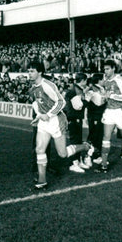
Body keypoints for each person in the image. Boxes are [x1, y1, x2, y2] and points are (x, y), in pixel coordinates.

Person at [27, 60, 72, 189]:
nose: (29, 74)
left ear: (40, 72)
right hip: (44, 122)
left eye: (32, 71)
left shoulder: (47, 85)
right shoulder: (33, 88)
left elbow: (61, 102)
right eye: (28, 71)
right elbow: (36, 103)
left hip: (56, 121)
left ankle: (85, 146)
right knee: (39, 150)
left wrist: (48, 115)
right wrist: (39, 116)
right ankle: (42, 181)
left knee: (62, 154)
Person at [97, 59, 122, 172]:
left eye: (108, 69)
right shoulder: (105, 81)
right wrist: (102, 97)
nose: (105, 71)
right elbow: (105, 96)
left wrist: (112, 95)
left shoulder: (119, 80)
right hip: (109, 111)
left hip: (119, 111)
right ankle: (104, 164)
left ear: (113, 68)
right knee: (106, 137)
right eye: (104, 69)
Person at [64, 73, 94, 173]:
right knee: (75, 140)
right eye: (85, 81)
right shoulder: (74, 91)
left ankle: (78, 160)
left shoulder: (76, 89)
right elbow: (78, 106)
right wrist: (87, 99)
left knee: (78, 140)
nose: (86, 83)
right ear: (83, 80)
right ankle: (74, 163)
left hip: (76, 118)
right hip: (73, 118)